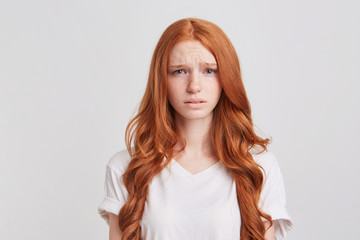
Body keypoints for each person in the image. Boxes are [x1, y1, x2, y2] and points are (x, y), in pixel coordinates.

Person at [98, 18, 293, 240]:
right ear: (161, 79)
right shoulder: (126, 167)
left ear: (227, 78)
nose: (194, 86)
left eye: (209, 71)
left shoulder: (259, 166)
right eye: (179, 71)